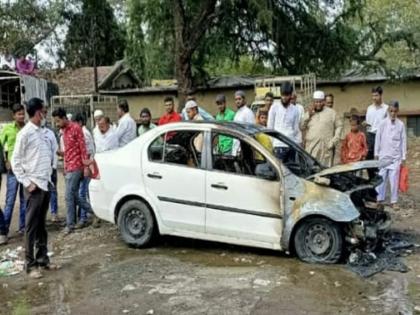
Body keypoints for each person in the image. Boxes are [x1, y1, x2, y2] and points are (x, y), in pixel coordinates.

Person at [12, 98, 57, 279]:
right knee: (31, 227)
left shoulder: (43, 132)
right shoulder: (25, 134)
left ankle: (42, 259)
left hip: (45, 183)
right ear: (38, 112)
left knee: (41, 226)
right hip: (34, 186)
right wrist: (26, 182)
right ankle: (30, 265)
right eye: (43, 111)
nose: (45, 114)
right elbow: (16, 162)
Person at [52, 108, 93, 234]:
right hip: (69, 166)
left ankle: (70, 225)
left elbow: (83, 148)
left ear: (64, 118)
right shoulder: (63, 131)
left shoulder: (76, 128)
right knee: (73, 195)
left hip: (77, 167)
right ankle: (94, 211)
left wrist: (86, 167)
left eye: (58, 121)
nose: (57, 124)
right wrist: (63, 158)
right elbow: (70, 150)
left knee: (69, 196)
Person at [375, 101, 406, 209]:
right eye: (391, 111)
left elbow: (403, 141)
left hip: (395, 158)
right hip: (383, 156)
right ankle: (379, 200)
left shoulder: (401, 125)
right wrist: (376, 153)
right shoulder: (382, 123)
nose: (393, 113)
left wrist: (403, 157)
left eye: (395, 111)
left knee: (394, 180)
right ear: (388, 111)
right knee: (381, 179)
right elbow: (378, 139)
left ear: (397, 112)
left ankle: (394, 201)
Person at [0, 104, 26, 236]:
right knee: (10, 201)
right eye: (19, 114)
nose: (21, 116)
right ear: (13, 115)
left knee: (24, 200)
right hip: (12, 172)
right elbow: (0, 145)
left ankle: (23, 227)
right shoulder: (8, 129)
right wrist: (5, 161)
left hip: (26, 170)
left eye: (23, 113)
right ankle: (4, 230)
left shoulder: (28, 128)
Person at [302, 90, 343, 167]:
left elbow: (339, 126)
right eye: (316, 102)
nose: (318, 104)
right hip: (311, 148)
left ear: (323, 102)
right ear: (313, 102)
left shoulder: (332, 113)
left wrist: (334, 140)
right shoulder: (309, 113)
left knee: (325, 172)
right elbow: (301, 126)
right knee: (312, 171)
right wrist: (308, 116)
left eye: (320, 102)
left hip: (326, 148)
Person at [267, 82, 300, 160]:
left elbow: (295, 129)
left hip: (291, 145)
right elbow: (270, 127)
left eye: (287, 95)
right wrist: (274, 143)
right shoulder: (274, 107)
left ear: (291, 95)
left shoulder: (295, 110)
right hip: (278, 145)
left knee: (291, 170)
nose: (284, 97)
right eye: (283, 95)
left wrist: (293, 141)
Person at [74, 113, 95, 228]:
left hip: (85, 166)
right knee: (84, 192)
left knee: (82, 193)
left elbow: (86, 152)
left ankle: (83, 218)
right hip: (84, 165)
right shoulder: (82, 132)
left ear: (80, 123)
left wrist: (85, 167)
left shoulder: (84, 134)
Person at [42, 109, 59, 222]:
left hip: (51, 167)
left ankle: (54, 213)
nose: (42, 116)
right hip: (40, 169)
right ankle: (41, 216)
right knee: (40, 193)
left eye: (44, 113)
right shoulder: (32, 132)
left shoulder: (51, 132)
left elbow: (55, 150)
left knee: (52, 191)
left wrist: (54, 166)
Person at [365, 86, 388, 164]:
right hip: (370, 136)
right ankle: (372, 176)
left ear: (381, 95)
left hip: (382, 137)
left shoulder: (386, 109)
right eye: (373, 95)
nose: (374, 98)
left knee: (381, 158)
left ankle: (380, 175)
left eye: (376, 95)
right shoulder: (369, 108)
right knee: (369, 159)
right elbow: (368, 123)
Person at [232, 90, 255, 155]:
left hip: (244, 150)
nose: (237, 101)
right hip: (236, 149)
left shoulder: (248, 112)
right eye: (236, 99)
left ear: (244, 100)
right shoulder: (237, 113)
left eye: (239, 99)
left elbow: (251, 132)